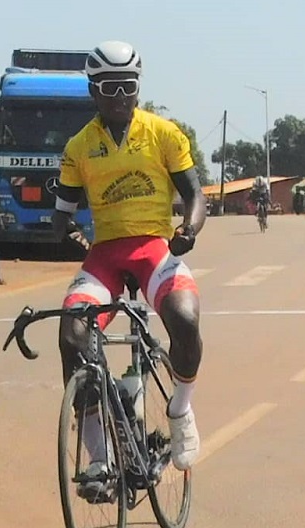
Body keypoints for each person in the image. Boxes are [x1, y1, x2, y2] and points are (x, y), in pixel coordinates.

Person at [52, 41, 207, 492]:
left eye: (129, 86)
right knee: (71, 334)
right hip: (105, 256)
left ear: (139, 88)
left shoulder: (164, 133)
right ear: (93, 91)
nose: (120, 95)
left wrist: (189, 230)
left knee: (183, 317)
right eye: (109, 87)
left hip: (155, 248)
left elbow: (196, 196)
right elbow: (62, 214)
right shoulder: (79, 147)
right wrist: (69, 233)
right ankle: (99, 456)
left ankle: (180, 407)